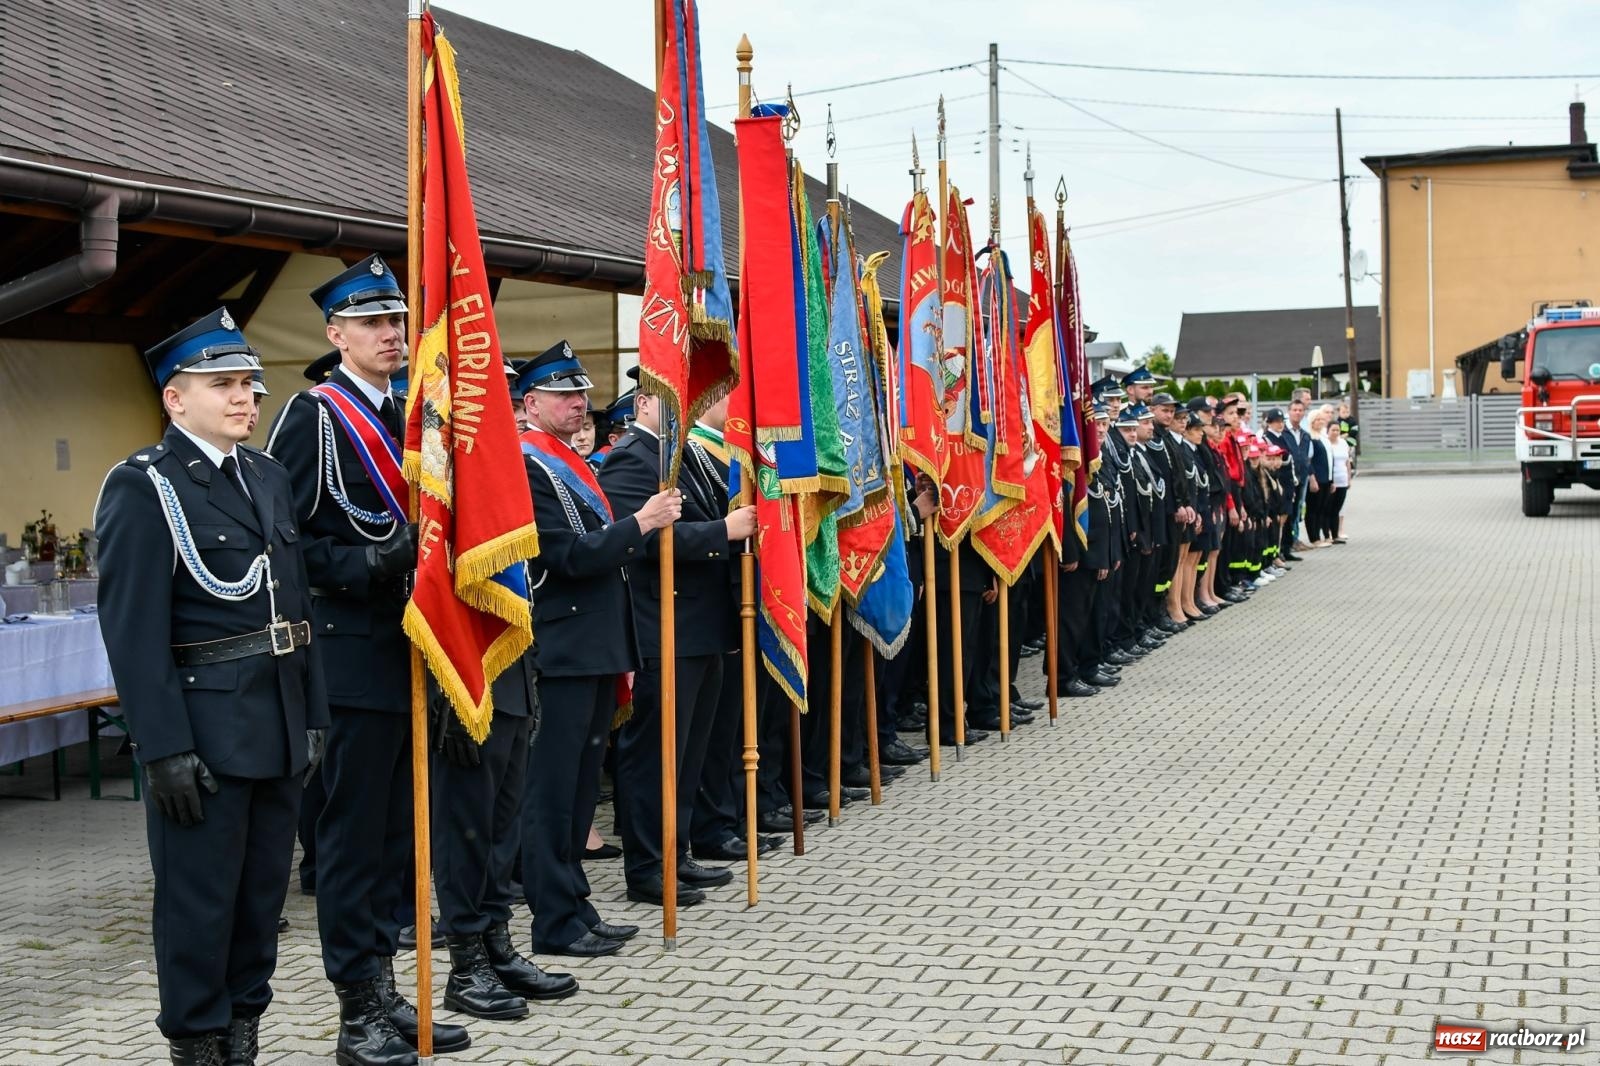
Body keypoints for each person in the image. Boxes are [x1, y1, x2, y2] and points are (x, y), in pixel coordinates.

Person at [97, 308, 330, 1066]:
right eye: (223, 384)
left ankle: (243, 1039)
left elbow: (297, 607)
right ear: (175, 398)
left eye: (250, 385)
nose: (245, 399)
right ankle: (196, 1045)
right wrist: (160, 747)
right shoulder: (145, 485)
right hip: (204, 735)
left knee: (261, 904)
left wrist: (314, 718)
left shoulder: (266, 474)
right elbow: (132, 632)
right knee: (200, 907)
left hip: (279, 726)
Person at [265, 255, 468, 1065]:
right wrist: (378, 565)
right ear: (334, 334)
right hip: (351, 660)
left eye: (396, 321)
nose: (391, 334)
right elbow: (290, 547)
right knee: (351, 843)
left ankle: (389, 995)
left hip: (412, 650)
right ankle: (356, 1012)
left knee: (397, 841)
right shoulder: (314, 417)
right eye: (373, 322)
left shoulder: (412, 417)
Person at [515, 341, 682, 958]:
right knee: (555, 790)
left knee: (583, 787)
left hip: (598, 643)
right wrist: (640, 523)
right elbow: (563, 556)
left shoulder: (575, 462)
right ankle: (552, 920)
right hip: (563, 646)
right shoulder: (530, 463)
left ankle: (574, 903)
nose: (578, 403)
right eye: (562, 393)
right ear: (531, 403)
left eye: (580, 392)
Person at [598, 379, 756, 906]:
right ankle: (647, 867)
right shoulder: (632, 457)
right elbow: (640, 538)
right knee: (654, 755)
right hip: (662, 626)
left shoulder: (683, 452)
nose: (678, 411)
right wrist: (724, 534)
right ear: (642, 402)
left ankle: (677, 850)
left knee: (688, 752)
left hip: (700, 626)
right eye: (667, 399)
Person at [1327, 422, 1353, 542]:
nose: (1336, 433)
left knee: (1337, 508)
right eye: (1333, 430)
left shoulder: (1343, 443)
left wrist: (1349, 478)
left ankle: (1335, 534)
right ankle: (1327, 534)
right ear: (1328, 431)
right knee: (1329, 508)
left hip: (1342, 479)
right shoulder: (1326, 443)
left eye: (1338, 430)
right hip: (1331, 480)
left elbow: (1347, 462)